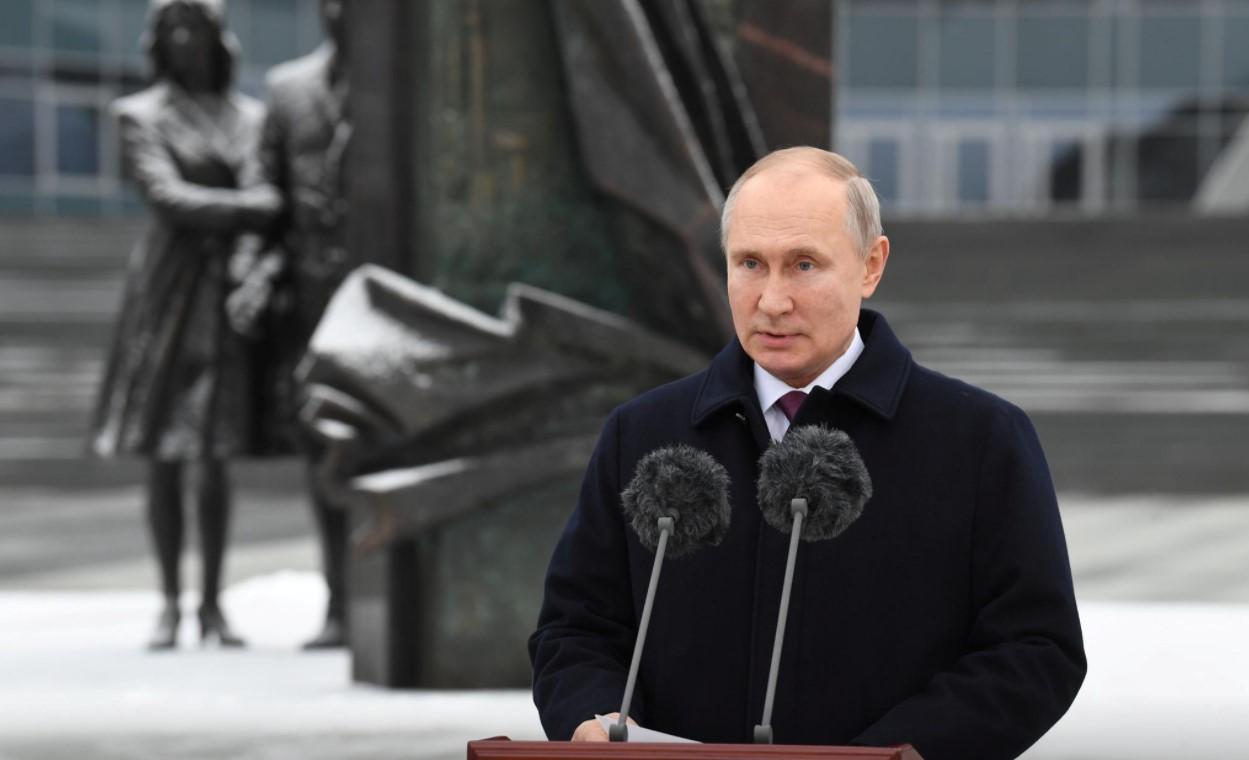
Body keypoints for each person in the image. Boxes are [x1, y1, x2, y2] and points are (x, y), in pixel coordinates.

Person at [529, 147, 1086, 759]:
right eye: (749, 264)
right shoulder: (641, 434)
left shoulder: (981, 440)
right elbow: (575, 629)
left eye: (803, 265)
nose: (772, 300)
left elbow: (1036, 649)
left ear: (871, 265)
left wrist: (906, 752)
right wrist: (589, 719)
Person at [90, 0, 279, 649]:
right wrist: (250, 209)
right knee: (165, 454)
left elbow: (265, 190)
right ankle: (170, 602)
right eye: (171, 27)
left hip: (225, 293)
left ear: (217, 37)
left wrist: (249, 236)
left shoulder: (249, 117)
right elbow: (168, 198)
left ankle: (212, 604)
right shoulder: (138, 114)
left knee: (214, 454)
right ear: (156, 41)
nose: (183, 38)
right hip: (167, 293)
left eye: (194, 26)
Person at [232, 0, 355, 649]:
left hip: (385, 297)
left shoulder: (403, 92)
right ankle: (339, 602)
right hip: (309, 306)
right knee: (321, 458)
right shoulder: (287, 88)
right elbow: (264, 197)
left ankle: (379, 605)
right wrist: (250, 272)